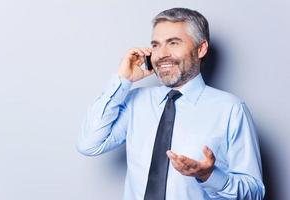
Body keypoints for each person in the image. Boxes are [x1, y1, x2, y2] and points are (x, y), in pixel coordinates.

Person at [76, 7, 265, 200]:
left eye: (173, 43)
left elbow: (254, 193)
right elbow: (89, 144)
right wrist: (123, 79)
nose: (161, 54)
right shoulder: (136, 101)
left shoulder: (231, 110)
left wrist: (208, 175)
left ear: (201, 49)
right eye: (156, 45)